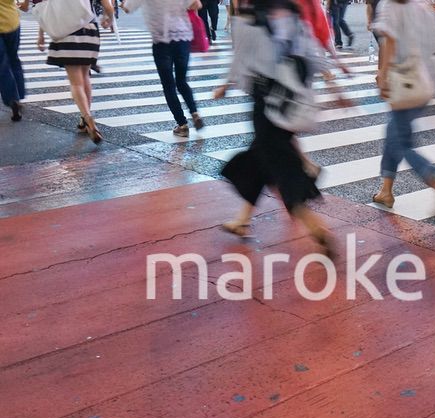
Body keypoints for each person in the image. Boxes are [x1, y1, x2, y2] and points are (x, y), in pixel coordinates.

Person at [214, 0, 334, 255]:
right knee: (261, 157)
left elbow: (241, 57)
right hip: (289, 101)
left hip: (265, 100)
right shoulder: (288, 11)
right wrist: (332, 80)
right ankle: (242, 220)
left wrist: (226, 84)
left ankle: (313, 224)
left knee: (277, 163)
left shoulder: (249, 18)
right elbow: (309, 50)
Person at [369, 0, 435, 210]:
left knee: (401, 140)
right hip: (423, 81)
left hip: (403, 82)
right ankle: (386, 191)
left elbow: (388, 42)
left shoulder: (389, 5)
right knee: (394, 132)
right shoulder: (423, 5)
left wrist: (382, 75)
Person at [121, 0, 206, 137]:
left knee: (168, 85)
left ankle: (182, 124)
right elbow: (197, 4)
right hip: (182, 37)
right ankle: (194, 112)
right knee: (182, 81)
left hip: (162, 41)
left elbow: (127, 8)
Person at [39, 0, 115, 143]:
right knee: (85, 76)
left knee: (76, 83)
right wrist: (108, 20)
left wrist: (41, 35)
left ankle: (87, 118)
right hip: (89, 31)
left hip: (66, 32)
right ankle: (84, 118)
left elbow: (46, 9)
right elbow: (109, 7)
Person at [0, 0, 28, 122]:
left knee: (2, 64)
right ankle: (19, 95)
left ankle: (12, 98)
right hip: (12, 22)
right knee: (13, 60)